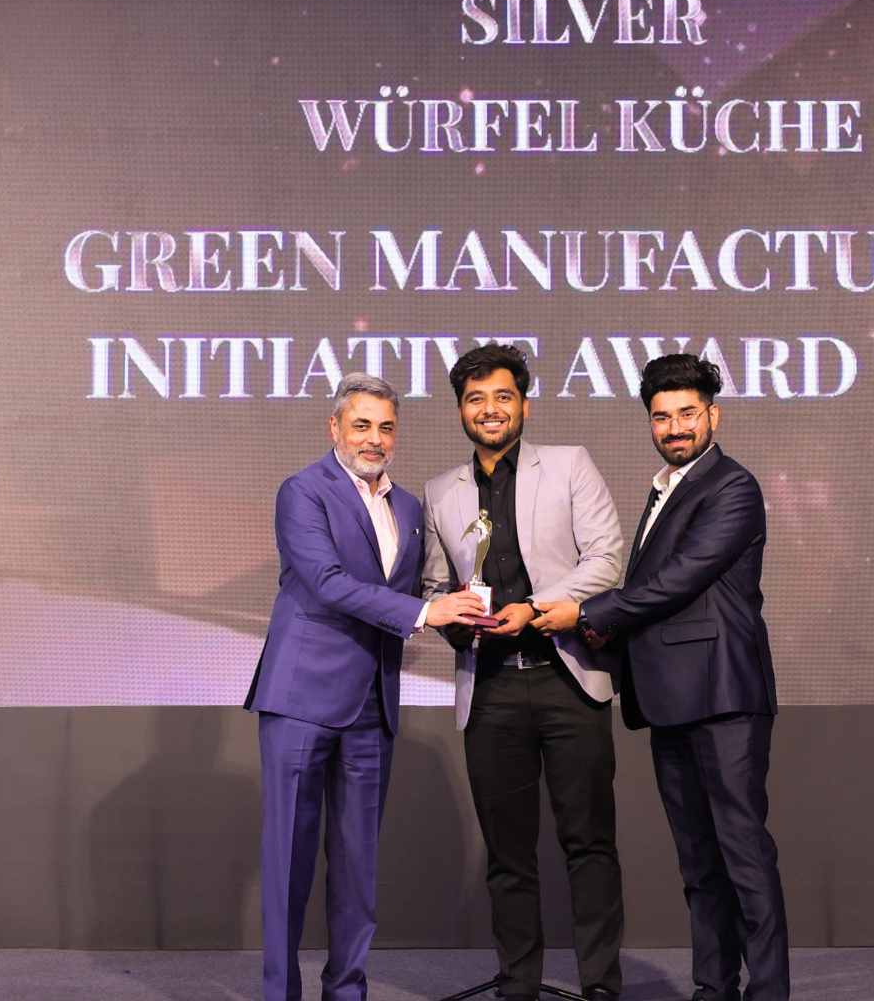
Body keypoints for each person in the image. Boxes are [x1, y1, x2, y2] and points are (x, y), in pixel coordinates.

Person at [530, 354, 789, 1001]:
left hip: (723, 697)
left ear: (713, 416)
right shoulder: (664, 487)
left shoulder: (732, 486)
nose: (675, 427)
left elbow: (678, 580)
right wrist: (602, 629)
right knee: (699, 861)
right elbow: (656, 591)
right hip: (671, 698)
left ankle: (769, 992)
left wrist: (586, 613)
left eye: (687, 413)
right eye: (662, 416)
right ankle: (713, 988)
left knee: (742, 854)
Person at [244, 372, 487, 1001]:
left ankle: (347, 990)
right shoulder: (303, 491)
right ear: (335, 427)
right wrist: (427, 612)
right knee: (289, 860)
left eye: (385, 427)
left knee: (358, 864)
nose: (374, 439)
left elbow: (418, 593)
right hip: (301, 699)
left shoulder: (408, 508)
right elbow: (326, 582)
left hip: (373, 705)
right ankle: (280, 993)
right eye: (361, 425)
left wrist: (468, 610)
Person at [422, 343, 627, 1001]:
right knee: (508, 853)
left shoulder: (569, 465)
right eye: (475, 399)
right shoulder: (440, 492)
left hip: (569, 678)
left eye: (502, 396)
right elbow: (435, 585)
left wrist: (535, 608)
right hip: (491, 687)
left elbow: (606, 559)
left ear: (524, 405)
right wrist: (457, 620)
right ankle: (518, 985)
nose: (490, 409)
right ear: (461, 409)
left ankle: (601, 987)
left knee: (589, 843)